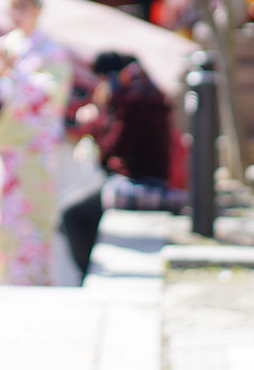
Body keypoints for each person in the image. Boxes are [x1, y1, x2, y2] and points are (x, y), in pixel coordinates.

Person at [0, 0, 73, 286]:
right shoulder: (3, 47)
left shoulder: (52, 51)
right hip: (6, 146)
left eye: (22, 7)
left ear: (37, 9)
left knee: (32, 216)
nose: (16, 14)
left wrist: (14, 71)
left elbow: (49, 95)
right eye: (12, 8)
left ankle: (31, 279)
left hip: (35, 149)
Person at [60, 52, 185, 282]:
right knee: (75, 212)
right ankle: (88, 273)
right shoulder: (143, 90)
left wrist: (95, 122)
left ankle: (88, 275)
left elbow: (115, 148)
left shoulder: (134, 98)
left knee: (71, 216)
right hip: (145, 177)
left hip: (141, 182)